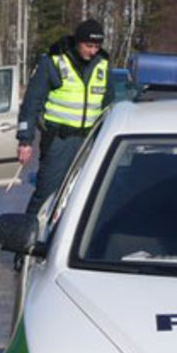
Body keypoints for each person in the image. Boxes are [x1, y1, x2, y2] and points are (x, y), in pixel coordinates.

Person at [16, 18, 116, 217]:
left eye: (97, 46)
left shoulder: (102, 65)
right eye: (89, 46)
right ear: (77, 42)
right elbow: (31, 102)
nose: (93, 51)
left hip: (88, 141)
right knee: (47, 193)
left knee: (82, 195)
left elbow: (109, 104)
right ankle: (27, 242)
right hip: (58, 140)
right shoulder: (53, 62)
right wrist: (25, 140)